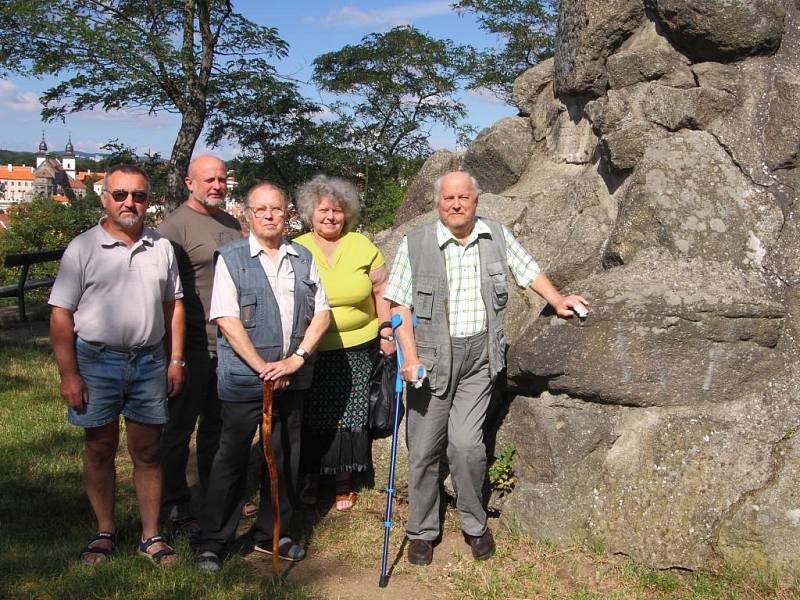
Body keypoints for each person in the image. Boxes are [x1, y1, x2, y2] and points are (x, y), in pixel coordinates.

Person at [385, 170, 588, 566]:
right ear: (437, 202)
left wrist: (558, 298)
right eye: (448, 199)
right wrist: (408, 357)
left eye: (463, 198)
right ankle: (422, 531)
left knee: (466, 446)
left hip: (480, 359)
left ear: (476, 201)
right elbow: (398, 308)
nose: (456, 204)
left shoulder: (495, 234)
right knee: (424, 450)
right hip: (430, 360)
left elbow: (527, 270)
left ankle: (474, 523)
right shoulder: (416, 243)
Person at [49, 164, 185, 566]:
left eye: (139, 196)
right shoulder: (83, 247)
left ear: (148, 201)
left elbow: (173, 304)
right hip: (96, 361)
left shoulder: (161, 247)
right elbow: (60, 314)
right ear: (105, 198)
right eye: (121, 195)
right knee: (100, 448)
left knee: (147, 451)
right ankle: (104, 531)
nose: (130, 203)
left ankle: (150, 535)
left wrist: (175, 358)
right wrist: (69, 374)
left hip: (148, 361)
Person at [193, 182, 331, 571]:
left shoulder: (302, 257)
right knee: (231, 458)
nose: (270, 216)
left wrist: (296, 359)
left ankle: (275, 534)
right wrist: (261, 367)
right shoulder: (232, 258)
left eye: (277, 209)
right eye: (261, 210)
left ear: (287, 214)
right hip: (245, 378)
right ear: (247, 215)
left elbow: (322, 313)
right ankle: (214, 539)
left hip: (292, 377)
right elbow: (225, 317)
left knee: (285, 458)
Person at [158, 155, 255, 530]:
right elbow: (167, 295)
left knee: (219, 425)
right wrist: (174, 355)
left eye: (222, 179)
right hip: (194, 345)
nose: (217, 185)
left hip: (229, 344)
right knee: (179, 430)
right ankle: (174, 500)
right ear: (189, 183)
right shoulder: (175, 228)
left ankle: (217, 492)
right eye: (209, 179)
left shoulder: (229, 222)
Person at [294, 174, 394, 511]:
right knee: (312, 413)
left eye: (337, 211)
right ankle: (309, 476)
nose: (330, 217)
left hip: (358, 346)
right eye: (323, 211)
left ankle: (343, 479)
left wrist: (385, 330)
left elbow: (381, 291)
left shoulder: (361, 245)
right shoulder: (297, 248)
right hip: (311, 348)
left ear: (346, 213)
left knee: (350, 413)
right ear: (310, 213)